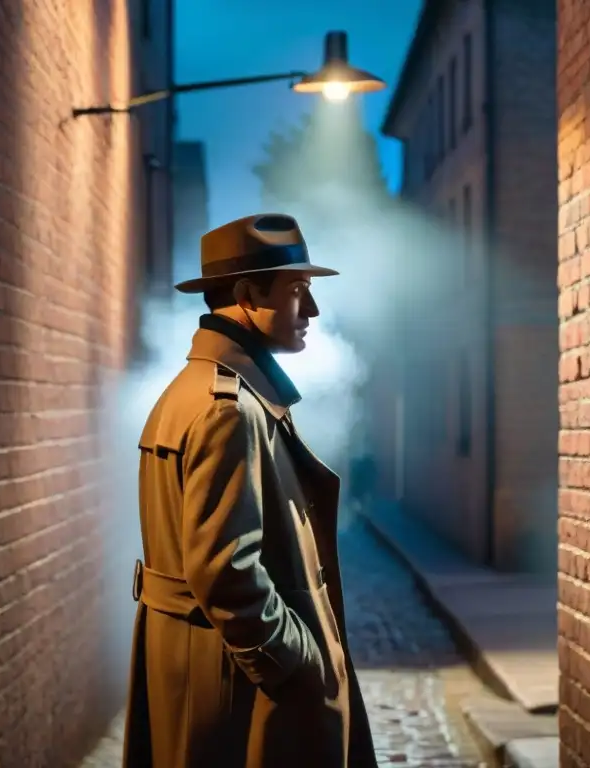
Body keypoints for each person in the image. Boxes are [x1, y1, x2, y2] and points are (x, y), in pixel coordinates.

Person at [122, 213, 377, 768]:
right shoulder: (229, 410)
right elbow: (226, 573)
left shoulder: (198, 391)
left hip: (203, 668)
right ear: (244, 295)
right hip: (232, 687)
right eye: (297, 291)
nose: (310, 311)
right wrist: (302, 663)